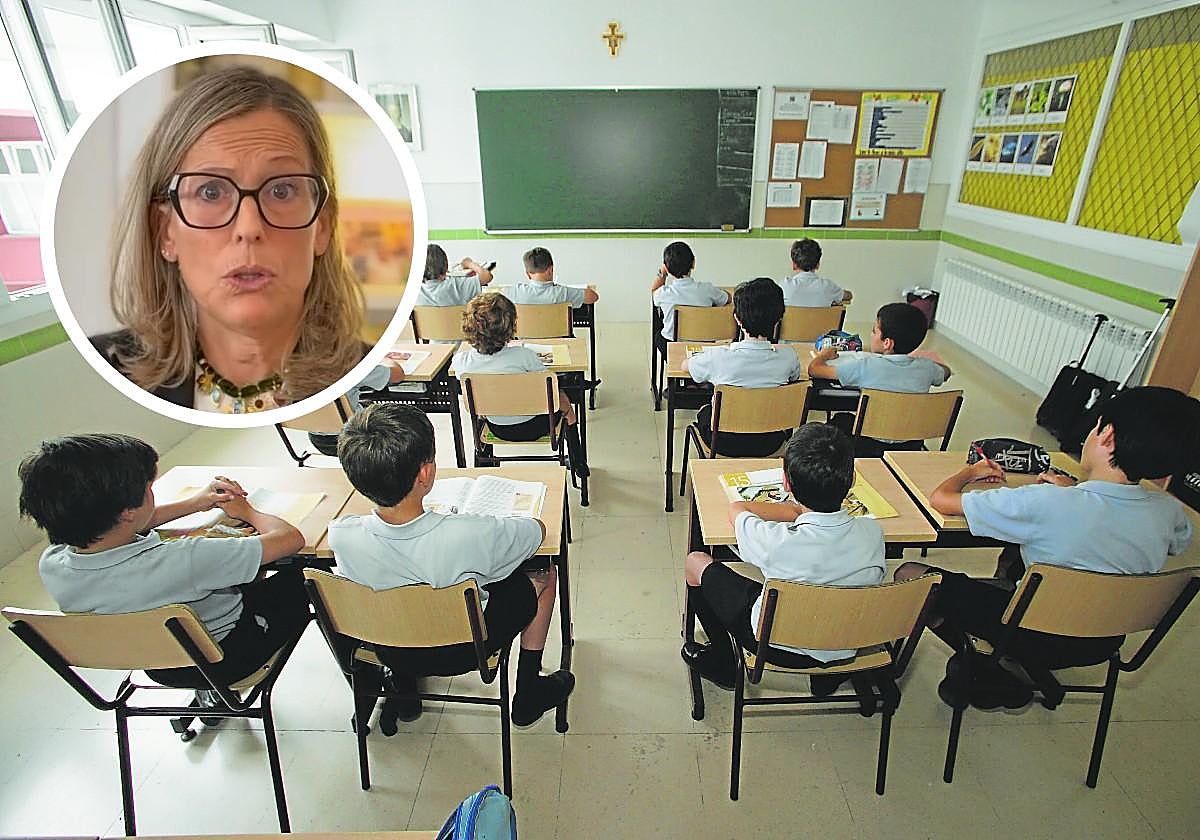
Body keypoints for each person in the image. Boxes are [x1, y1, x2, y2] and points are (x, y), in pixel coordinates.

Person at [894, 386, 1198, 710]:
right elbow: (1168, 541)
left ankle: (985, 663)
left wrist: (970, 471)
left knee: (910, 574)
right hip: (1102, 640)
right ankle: (1004, 663)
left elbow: (942, 500)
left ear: (1107, 435)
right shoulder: (1170, 513)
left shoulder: (1045, 502)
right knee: (1021, 555)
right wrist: (1079, 491)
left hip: (1028, 631)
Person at [92, 66, 369, 413]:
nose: (249, 228)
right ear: (164, 230)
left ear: (322, 226)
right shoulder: (96, 374)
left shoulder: (374, 373)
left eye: (281, 191)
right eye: (211, 192)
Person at [329, 403, 575, 730]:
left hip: (390, 649)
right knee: (544, 573)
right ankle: (529, 690)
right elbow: (537, 532)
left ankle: (404, 691)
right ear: (425, 473)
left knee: (394, 592)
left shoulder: (341, 535)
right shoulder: (469, 534)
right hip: (466, 649)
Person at [19, 433, 309, 705]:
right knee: (305, 575)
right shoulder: (186, 558)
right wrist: (247, 511)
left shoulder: (52, 563)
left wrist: (196, 503)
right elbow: (290, 540)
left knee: (237, 575)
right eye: (148, 488)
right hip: (230, 658)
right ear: (127, 511)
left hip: (158, 664)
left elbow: (131, 525)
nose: (151, 492)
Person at [680, 424, 886, 695]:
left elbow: (737, 509)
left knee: (696, 562)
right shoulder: (873, 532)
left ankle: (723, 661)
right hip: (844, 642)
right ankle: (828, 677)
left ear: (786, 482)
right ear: (852, 479)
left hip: (775, 644)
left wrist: (793, 511)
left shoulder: (774, 541)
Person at [453, 294, 589, 478]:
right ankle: (577, 459)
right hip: (539, 425)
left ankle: (484, 462)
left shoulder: (461, 362)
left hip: (497, 427)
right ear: (511, 326)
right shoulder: (524, 356)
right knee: (562, 398)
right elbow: (548, 388)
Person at [808, 302, 953, 456]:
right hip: (910, 445)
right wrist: (923, 362)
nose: (871, 335)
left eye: (874, 331)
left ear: (887, 343)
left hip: (865, 444)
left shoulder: (866, 366)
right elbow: (946, 372)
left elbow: (814, 369)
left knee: (840, 420)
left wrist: (823, 355)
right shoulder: (927, 369)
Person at [683, 277, 803, 456]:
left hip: (723, 442)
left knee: (705, 411)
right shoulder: (789, 357)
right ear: (778, 319)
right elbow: (794, 378)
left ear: (737, 319)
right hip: (770, 441)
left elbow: (686, 366)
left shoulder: (718, 357)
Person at [650, 241, 729, 352]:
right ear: (693, 263)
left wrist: (662, 273)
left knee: (658, 333)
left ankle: (674, 360)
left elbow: (653, 291)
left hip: (672, 346)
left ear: (666, 268)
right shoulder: (707, 289)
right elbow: (727, 298)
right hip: (703, 345)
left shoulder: (663, 293)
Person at [506, 247, 599, 309]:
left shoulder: (514, 292)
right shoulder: (563, 293)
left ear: (527, 274)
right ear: (551, 270)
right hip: (558, 334)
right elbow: (593, 297)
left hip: (525, 334)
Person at [779, 238, 852, 307]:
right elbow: (848, 296)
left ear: (794, 265)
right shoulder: (827, 286)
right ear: (817, 265)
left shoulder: (784, 286)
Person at [416, 243, 493, 307]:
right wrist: (470, 264)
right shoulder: (457, 285)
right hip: (459, 321)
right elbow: (487, 276)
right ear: (445, 265)